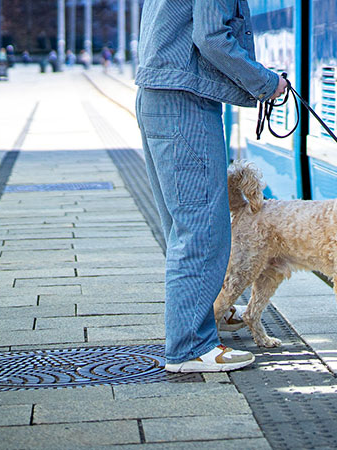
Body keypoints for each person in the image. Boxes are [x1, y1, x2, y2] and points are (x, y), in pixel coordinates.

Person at [135, 1, 288, 372]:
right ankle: (190, 348)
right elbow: (211, 37)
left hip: (162, 95)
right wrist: (266, 82)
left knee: (184, 228)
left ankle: (198, 320)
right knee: (203, 231)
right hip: (185, 104)